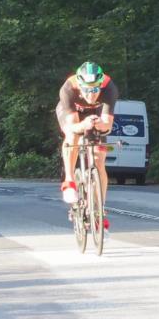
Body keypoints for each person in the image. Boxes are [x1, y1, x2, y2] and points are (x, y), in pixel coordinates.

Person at [57, 61, 119, 229]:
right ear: (80, 85)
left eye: (94, 89)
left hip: (95, 113)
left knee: (99, 159)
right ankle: (69, 181)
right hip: (73, 113)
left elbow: (107, 125)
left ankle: (99, 209)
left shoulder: (109, 88)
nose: (91, 94)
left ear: (100, 85)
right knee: (72, 135)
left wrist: (99, 125)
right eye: (87, 89)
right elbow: (72, 125)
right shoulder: (68, 89)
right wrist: (83, 126)